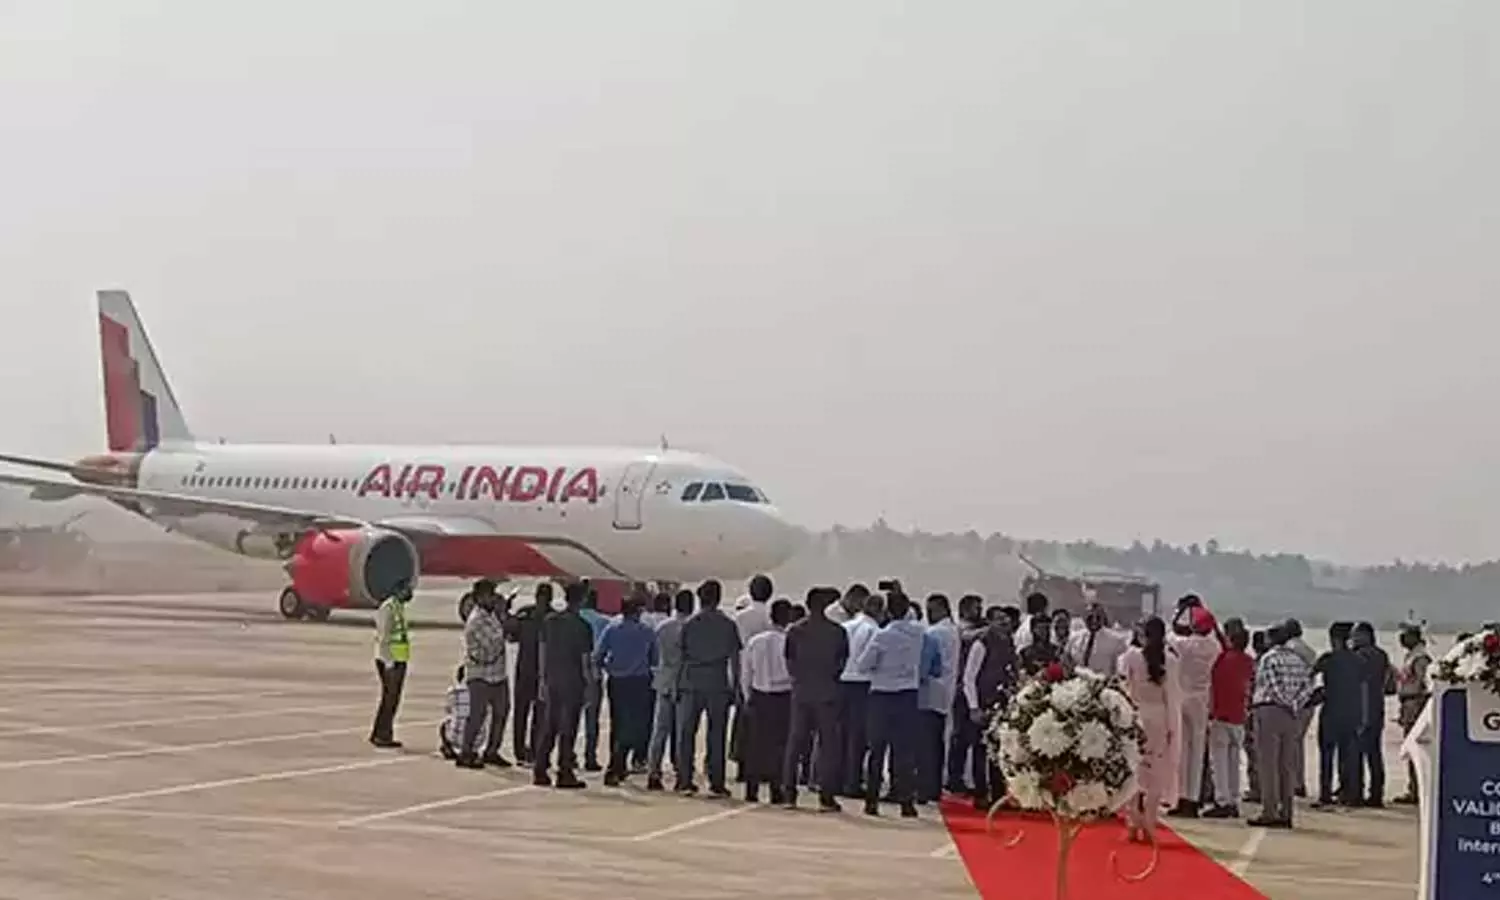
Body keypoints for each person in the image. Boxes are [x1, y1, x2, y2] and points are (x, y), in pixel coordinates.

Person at [853, 591, 936, 818]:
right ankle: (906, 802)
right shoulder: (918, 633)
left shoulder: (882, 636)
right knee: (904, 752)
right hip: (908, 695)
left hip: (882, 695)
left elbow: (863, 665)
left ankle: (872, 800)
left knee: (877, 750)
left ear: (887, 611)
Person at [783, 586, 850, 812]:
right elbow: (842, 661)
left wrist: (799, 679)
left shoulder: (795, 631)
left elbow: (789, 660)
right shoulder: (837, 632)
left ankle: (789, 793)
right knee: (828, 746)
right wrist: (830, 678)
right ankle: (826, 796)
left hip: (802, 692)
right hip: (827, 693)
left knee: (795, 744)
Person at [674, 580, 742, 797]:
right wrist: (736, 686)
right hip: (717, 681)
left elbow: (680, 657)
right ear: (718, 599)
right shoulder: (728, 625)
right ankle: (716, 781)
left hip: (691, 681)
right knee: (717, 734)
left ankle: (684, 779)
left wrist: (676, 684)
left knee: (686, 733)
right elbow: (735, 659)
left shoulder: (689, 624)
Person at [1118, 616, 1182, 843]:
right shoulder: (1170, 660)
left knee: (1133, 769)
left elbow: (1123, 686)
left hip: (1135, 715)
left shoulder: (1130, 657)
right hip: (1159, 718)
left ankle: (1133, 820)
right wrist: (1173, 727)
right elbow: (1172, 697)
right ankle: (1150, 821)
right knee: (1156, 771)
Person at [1248, 624, 1314, 829]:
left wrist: (1284, 701)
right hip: (1292, 714)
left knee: (1268, 764)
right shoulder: (1298, 660)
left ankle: (1269, 810)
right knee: (1286, 765)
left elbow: (1272, 685)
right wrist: (1295, 704)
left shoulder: (1269, 658)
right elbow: (1308, 686)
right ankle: (1286, 811)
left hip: (1269, 710)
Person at [532, 583, 595, 790]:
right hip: (573, 681)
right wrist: (590, 686)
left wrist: (542, 678)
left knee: (550, 725)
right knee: (568, 728)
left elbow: (542, 650)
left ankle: (540, 768)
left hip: (552, 679)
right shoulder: (582, 627)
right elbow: (585, 661)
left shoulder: (550, 621)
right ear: (582, 600)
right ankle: (564, 771)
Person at [595, 595, 657, 786]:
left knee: (618, 722)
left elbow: (598, 656)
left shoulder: (612, 629)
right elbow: (655, 659)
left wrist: (611, 667)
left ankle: (617, 763)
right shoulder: (646, 631)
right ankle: (623, 762)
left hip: (617, 681)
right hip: (640, 682)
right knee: (637, 724)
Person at [962, 609, 1019, 811]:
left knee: (1000, 751)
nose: (1004, 622)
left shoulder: (1009, 642)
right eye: (999, 619)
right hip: (983, 703)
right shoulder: (981, 643)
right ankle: (980, 793)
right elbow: (969, 677)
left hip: (1003, 704)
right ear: (990, 622)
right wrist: (974, 707)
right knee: (981, 750)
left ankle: (999, 794)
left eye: (1006, 619)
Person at [1168, 606, 1221, 817]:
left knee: (1182, 750)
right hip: (1202, 699)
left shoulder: (1185, 644)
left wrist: (1179, 613)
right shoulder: (1214, 647)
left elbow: (1170, 634)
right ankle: (1192, 798)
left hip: (1183, 697)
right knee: (1197, 752)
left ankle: (1180, 797)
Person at [741, 598, 794, 803]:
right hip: (782, 696)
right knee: (779, 744)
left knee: (755, 744)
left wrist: (748, 696)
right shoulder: (788, 641)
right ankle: (775, 788)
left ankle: (751, 788)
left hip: (759, 694)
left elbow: (746, 673)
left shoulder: (756, 641)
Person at [457, 580, 512, 769]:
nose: (493, 598)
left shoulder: (491, 615)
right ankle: (466, 752)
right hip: (480, 675)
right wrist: (504, 619)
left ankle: (492, 751)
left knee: (502, 712)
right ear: (479, 597)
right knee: (477, 715)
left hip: (497, 674)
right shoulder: (476, 620)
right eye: (490, 595)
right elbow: (492, 646)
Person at [1203, 618, 1254, 818]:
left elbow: (1212, 686)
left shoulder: (1221, 660)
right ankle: (1233, 799)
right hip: (1239, 716)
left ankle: (1222, 800)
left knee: (1219, 762)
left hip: (1221, 715)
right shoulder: (1248, 661)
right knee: (1234, 762)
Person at [645, 589, 694, 791]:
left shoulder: (662, 627)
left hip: (664, 679)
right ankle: (682, 775)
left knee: (660, 731)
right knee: (683, 732)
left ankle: (653, 772)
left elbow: (653, 654)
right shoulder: (692, 627)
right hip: (684, 681)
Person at [837, 589, 883, 797]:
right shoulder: (874, 630)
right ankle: (852, 781)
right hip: (862, 684)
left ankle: (836, 779)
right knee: (858, 737)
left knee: (840, 734)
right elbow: (870, 662)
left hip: (841, 682)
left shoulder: (846, 626)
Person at [1310, 622, 1360, 808]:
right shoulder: (1357, 660)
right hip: (1351, 712)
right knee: (1347, 755)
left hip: (1331, 711)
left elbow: (1311, 674)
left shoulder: (1328, 659)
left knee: (1327, 755)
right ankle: (1347, 793)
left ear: (1334, 639)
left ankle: (1325, 794)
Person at [732, 574, 775, 782]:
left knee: (744, 724)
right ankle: (765, 768)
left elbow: (734, 648)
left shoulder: (740, 618)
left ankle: (743, 767)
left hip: (744, 671)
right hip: (769, 675)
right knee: (768, 725)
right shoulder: (771, 617)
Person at [918, 593, 960, 804]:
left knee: (925, 745)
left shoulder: (933, 633)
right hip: (945, 692)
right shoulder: (953, 631)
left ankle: (924, 787)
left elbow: (924, 668)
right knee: (936, 744)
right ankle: (934, 786)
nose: (929, 614)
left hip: (929, 693)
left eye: (932, 610)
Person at [945, 594, 987, 796]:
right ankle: (954, 778)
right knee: (959, 736)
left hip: (972, 688)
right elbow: (966, 636)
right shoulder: (960, 628)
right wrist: (989, 630)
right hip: (961, 688)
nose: (979, 612)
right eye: (976, 608)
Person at [1350, 621, 1394, 807]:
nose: (1353, 639)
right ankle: (1376, 793)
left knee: (1357, 753)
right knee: (1374, 754)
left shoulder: (1361, 656)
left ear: (1365, 635)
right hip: (1377, 708)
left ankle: (1356, 793)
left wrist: (1362, 716)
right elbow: (1389, 684)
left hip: (1363, 709)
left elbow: (1361, 685)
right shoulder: (1382, 655)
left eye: (1355, 635)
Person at [369, 580, 414, 749]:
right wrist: (388, 662)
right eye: (406, 590)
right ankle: (381, 735)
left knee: (392, 699)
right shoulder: (387, 608)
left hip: (399, 659)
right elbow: (383, 636)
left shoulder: (398, 607)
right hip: (389, 660)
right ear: (397, 590)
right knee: (389, 699)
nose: (409, 593)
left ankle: (384, 733)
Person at [507, 583, 548, 765]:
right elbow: (511, 635)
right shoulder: (549, 617)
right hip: (534, 672)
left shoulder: (526, 614)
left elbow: (511, 636)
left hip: (531, 671)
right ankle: (526, 750)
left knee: (530, 714)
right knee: (529, 714)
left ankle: (527, 751)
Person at [1393, 623, 1433, 805]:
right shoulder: (1411, 656)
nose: (1401, 639)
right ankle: (1413, 787)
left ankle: (1417, 789)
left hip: (1415, 703)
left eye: (1406, 635)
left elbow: (1425, 685)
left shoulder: (1420, 658)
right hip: (1408, 703)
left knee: (1414, 747)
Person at [1282, 619, 1319, 797]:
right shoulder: (1309, 650)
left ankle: (1295, 782)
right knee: (1298, 742)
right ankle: (1298, 781)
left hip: (1295, 701)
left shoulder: (1290, 649)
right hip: (1307, 700)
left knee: (1293, 743)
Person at [577, 586, 610, 772]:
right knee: (592, 719)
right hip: (594, 675)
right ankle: (590, 757)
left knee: (571, 717)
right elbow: (604, 652)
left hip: (574, 674)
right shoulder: (603, 621)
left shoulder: (575, 618)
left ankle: (569, 755)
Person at [1065, 603, 1129, 675]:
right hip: (1077, 679)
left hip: (1103, 680)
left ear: (1103, 618)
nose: (1094, 621)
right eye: (1090, 617)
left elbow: (1123, 665)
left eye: (1098, 617)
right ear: (1084, 617)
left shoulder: (1116, 639)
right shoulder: (1074, 638)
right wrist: (1073, 669)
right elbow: (1066, 656)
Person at [439, 665, 479, 762]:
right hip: (478, 740)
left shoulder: (453, 691)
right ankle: (474, 750)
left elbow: (448, 710)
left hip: (456, 736)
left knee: (444, 724)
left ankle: (448, 747)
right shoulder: (480, 692)